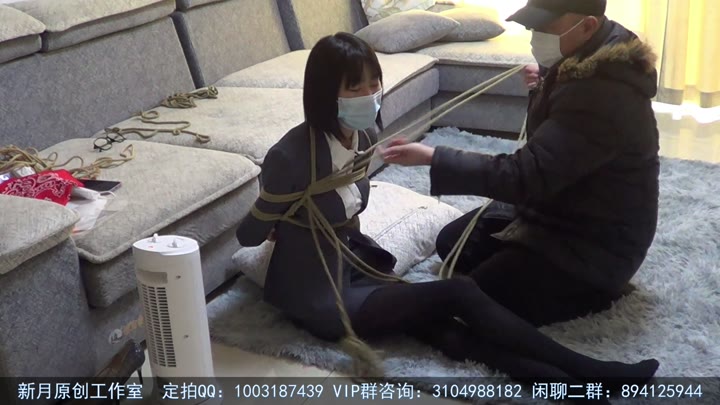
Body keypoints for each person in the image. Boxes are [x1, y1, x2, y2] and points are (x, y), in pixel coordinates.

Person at [236, 32, 660, 387]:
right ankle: (594, 372)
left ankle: (569, 384)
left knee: (447, 331)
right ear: (325, 93)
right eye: (354, 88)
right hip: (321, 294)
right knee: (458, 292)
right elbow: (249, 234)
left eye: (373, 83)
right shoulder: (292, 156)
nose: (369, 95)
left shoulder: (360, 137)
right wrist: (279, 218)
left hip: (357, 265)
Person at [381, 0, 660, 328]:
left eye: (546, 27)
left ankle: (596, 291)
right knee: (451, 243)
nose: (535, 35)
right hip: (556, 205)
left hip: (592, 243)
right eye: (533, 26)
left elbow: (525, 175)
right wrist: (546, 84)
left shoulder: (604, 92)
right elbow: (552, 145)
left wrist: (432, 156)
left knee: (473, 299)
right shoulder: (583, 59)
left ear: (587, 26)